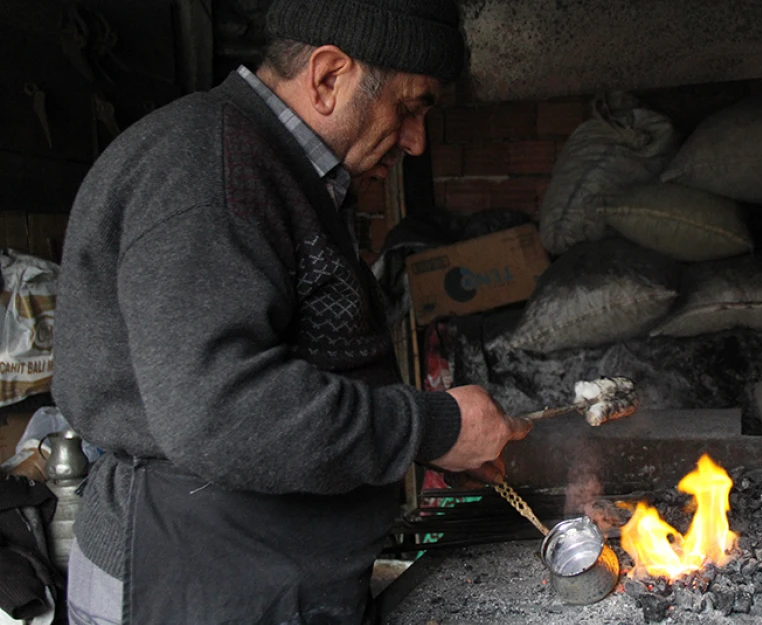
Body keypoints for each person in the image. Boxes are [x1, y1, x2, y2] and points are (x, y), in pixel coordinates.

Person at [52, 1, 531, 622]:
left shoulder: (272, 168)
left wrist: (428, 445)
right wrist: (432, 426)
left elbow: (295, 374)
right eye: (411, 107)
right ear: (330, 76)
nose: (415, 140)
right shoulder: (208, 168)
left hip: (260, 581)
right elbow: (223, 413)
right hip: (191, 586)